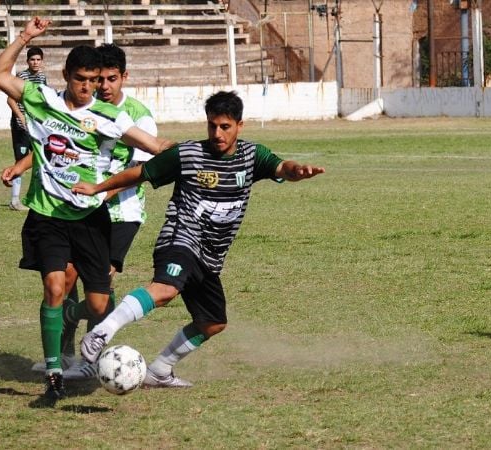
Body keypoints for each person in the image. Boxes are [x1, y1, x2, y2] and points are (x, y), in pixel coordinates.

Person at [74, 91, 324, 387]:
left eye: (225, 127)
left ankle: (160, 370)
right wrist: (99, 188)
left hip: (210, 256)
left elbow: (283, 168)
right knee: (166, 290)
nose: (217, 133)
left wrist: (298, 170)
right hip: (181, 237)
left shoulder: (251, 156)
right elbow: (140, 173)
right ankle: (103, 330)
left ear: (240, 125)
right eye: (212, 126)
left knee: (213, 322)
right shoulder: (187, 154)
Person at [0, 17, 174, 402]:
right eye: (81, 80)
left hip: (91, 218)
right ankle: (55, 370)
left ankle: (73, 331)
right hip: (47, 215)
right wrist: (25, 37)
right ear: (66, 75)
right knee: (55, 287)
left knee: (97, 304)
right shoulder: (41, 101)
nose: (89, 87)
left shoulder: (108, 116)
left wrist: (198, 153)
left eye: (93, 80)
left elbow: (154, 145)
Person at [57, 43, 159, 381]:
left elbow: (140, 171)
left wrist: (101, 193)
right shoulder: (88, 108)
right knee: (68, 275)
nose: (104, 86)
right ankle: (65, 348)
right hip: (83, 209)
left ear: (124, 77)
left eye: (112, 79)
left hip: (123, 212)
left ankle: (90, 353)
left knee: (102, 281)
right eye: (100, 79)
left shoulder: (140, 115)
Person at [6, 46, 46, 211]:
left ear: (42, 61)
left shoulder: (43, 77)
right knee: (21, 160)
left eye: (38, 59)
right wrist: (21, 117)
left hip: (36, 125)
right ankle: (14, 200)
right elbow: (10, 100)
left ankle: (36, 196)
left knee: (40, 158)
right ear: (27, 61)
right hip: (21, 126)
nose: (35, 62)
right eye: (32, 59)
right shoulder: (22, 76)